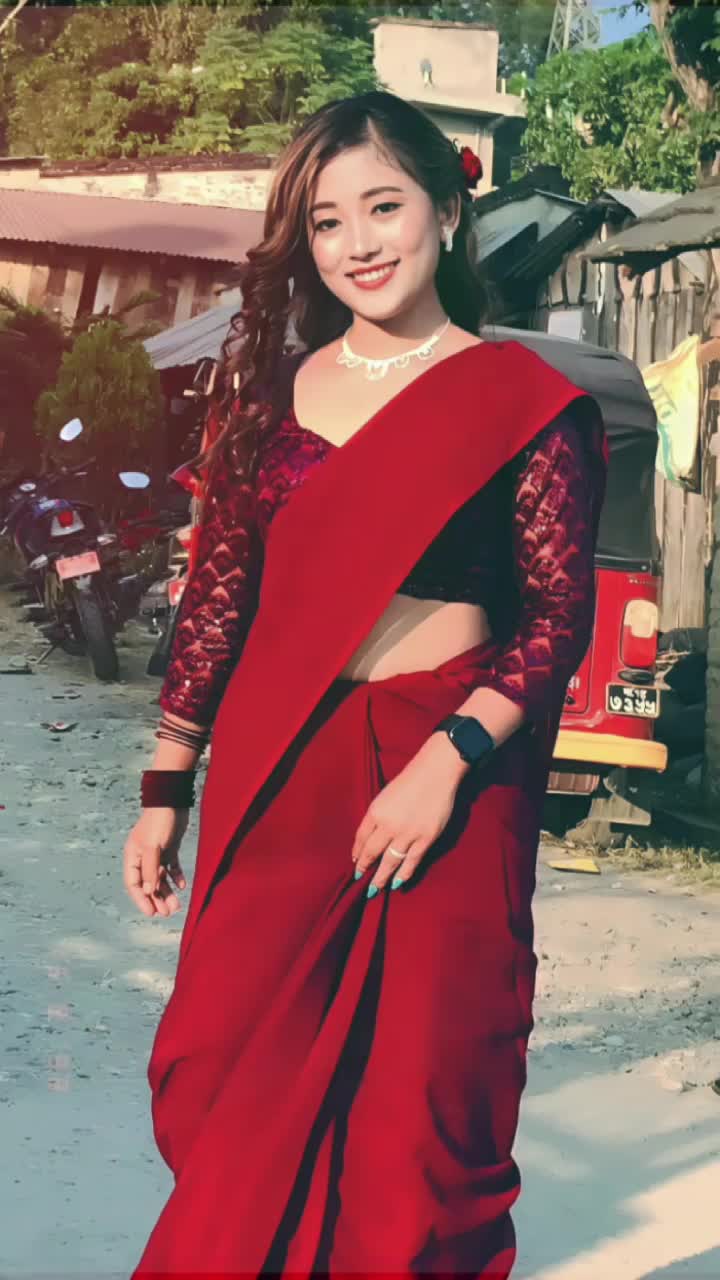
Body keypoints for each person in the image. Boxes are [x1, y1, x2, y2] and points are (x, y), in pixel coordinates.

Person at [123, 90, 607, 1278]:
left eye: (384, 207)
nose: (359, 243)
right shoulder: (269, 396)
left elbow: (556, 619)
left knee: (421, 1114)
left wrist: (449, 761)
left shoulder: (525, 401)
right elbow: (218, 601)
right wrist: (166, 782)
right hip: (286, 771)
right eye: (328, 221)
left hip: (450, 782)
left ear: (448, 210)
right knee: (224, 1066)